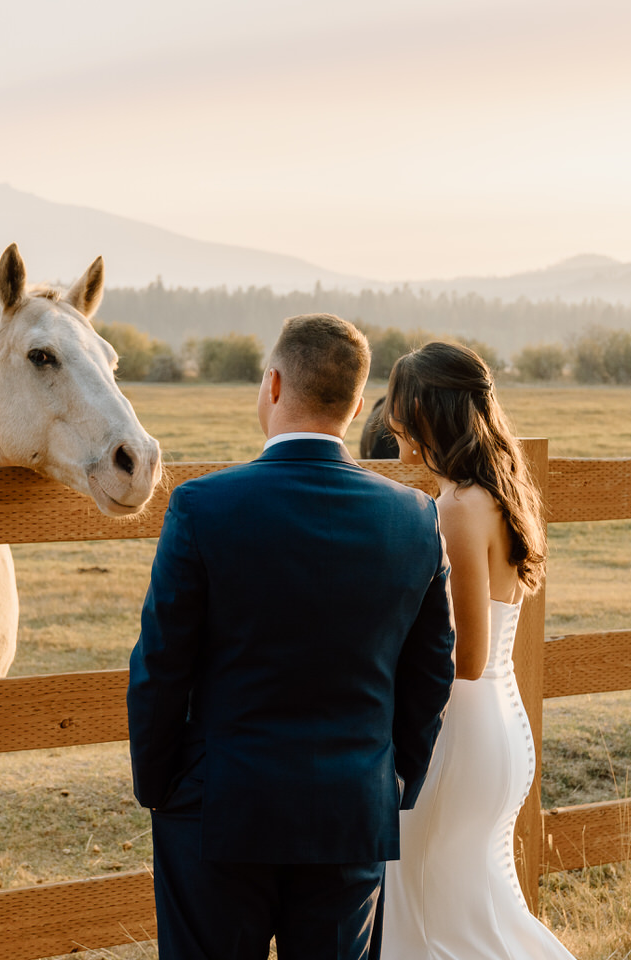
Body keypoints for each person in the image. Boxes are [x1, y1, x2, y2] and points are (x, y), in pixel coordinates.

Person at [128, 313, 456, 960]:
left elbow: (160, 665)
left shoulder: (202, 507)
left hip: (217, 807)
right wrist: (388, 787)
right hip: (350, 813)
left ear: (272, 386)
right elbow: (431, 674)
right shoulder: (414, 517)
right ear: (358, 404)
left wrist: (159, 788)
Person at [377, 341, 572, 959]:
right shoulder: (503, 492)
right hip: (500, 725)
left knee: (434, 922)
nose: (402, 447)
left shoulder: (458, 507)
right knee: (482, 914)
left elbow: (465, 655)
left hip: (456, 732)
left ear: (436, 416)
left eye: (406, 428)